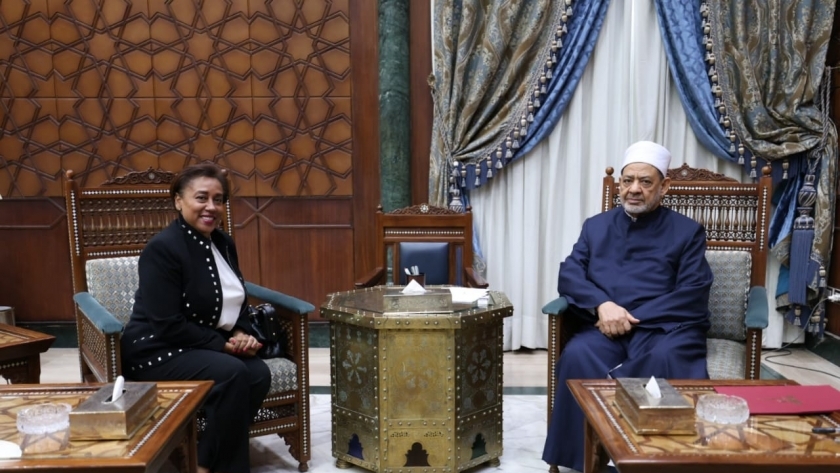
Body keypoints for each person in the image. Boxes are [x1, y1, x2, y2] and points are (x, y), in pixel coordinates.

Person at [542, 141, 714, 472]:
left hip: (663, 328)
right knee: (577, 354)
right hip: (605, 327)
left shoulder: (688, 232)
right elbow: (570, 273)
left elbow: (693, 290)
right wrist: (602, 305)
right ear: (619, 184)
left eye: (645, 182)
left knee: (667, 357)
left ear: (664, 187)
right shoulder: (595, 226)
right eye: (627, 180)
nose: (634, 189)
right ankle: (589, 459)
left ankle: (659, 460)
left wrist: (630, 317)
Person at [121, 162, 270, 473]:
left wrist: (240, 332)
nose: (211, 207)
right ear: (178, 201)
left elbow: (235, 298)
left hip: (199, 343)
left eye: (218, 199)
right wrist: (224, 345)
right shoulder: (162, 249)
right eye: (201, 198)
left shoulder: (223, 242)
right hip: (156, 348)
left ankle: (202, 461)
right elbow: (166, 324)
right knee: (233, 372)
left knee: (258, 373)